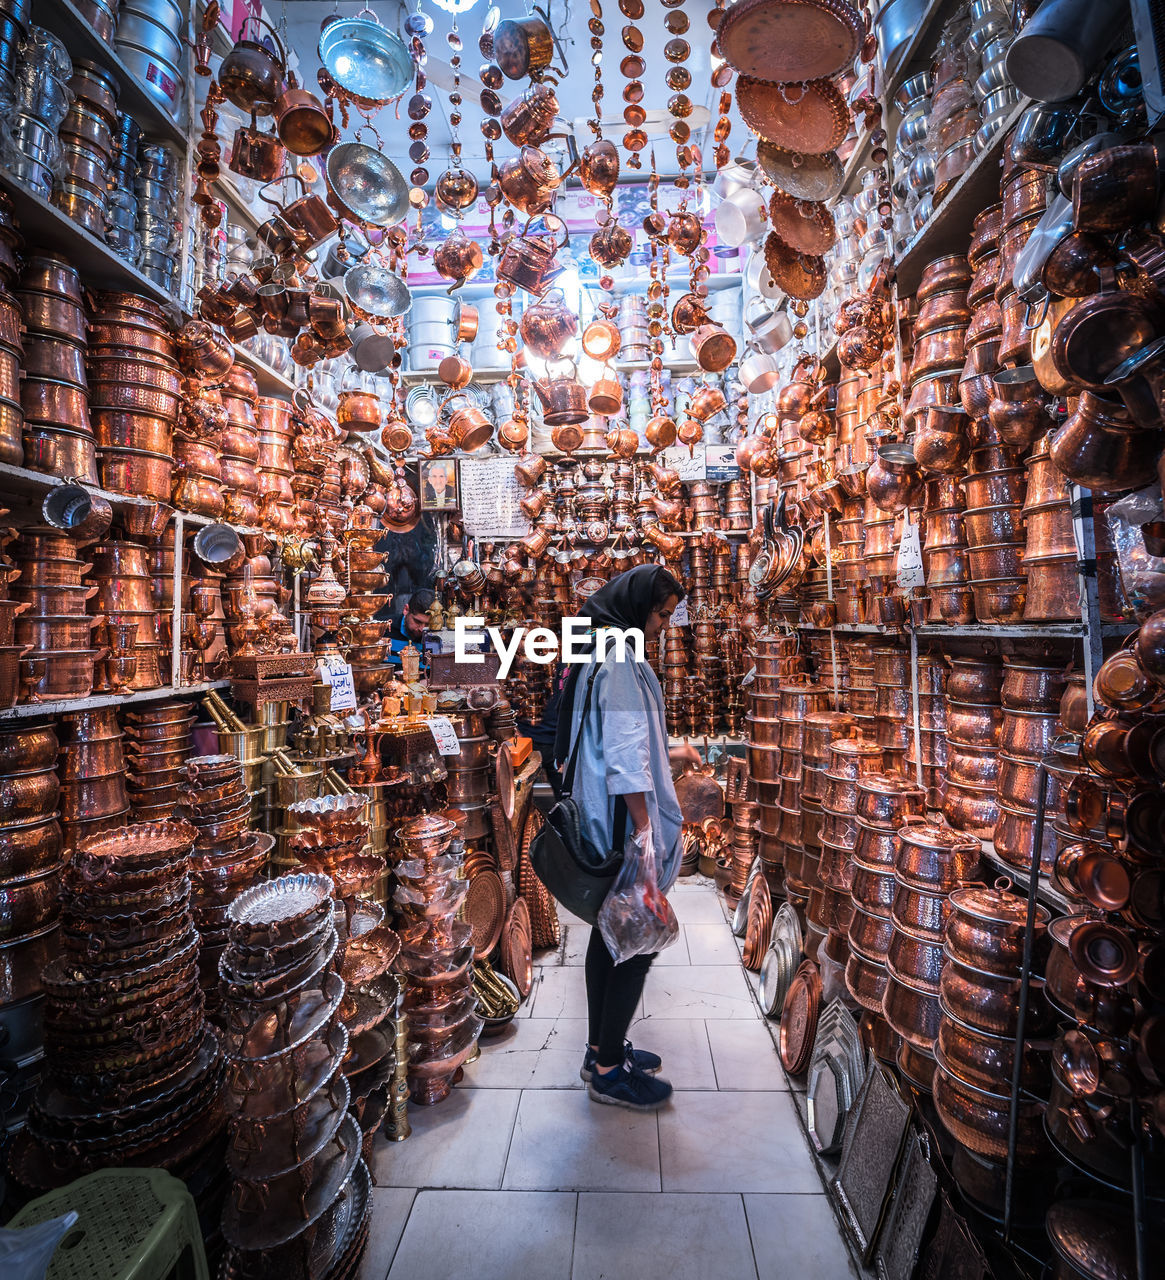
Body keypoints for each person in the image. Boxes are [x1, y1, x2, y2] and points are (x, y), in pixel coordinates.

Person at [553, 564, 687, 1111]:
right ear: (638, 608)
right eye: (661, 613)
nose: (664, 624)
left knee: (609, 934)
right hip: (620, 824)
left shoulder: (605, 646)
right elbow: (628, 759)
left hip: (607, 813)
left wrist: (672, 754)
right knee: (636, 939)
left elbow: (619, 738)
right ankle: (609, 1071)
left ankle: (598, 1049)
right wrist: (645, 835)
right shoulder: (620, 660)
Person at [386, 588, 441, 670]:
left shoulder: (440, 638)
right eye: (417, 621)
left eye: (428, 624)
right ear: (406, 610)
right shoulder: (383, 629)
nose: (422, 629)